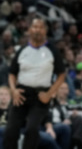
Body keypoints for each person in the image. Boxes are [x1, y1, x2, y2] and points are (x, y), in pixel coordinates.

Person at [3, 17, 66, 149]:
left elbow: (62, 74)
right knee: (10, 131)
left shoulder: (52, 50)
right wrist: (13, 90)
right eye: (35, 27)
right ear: (30, 30)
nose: (37, 30)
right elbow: (12, 74)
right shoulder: (22, 50)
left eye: (41, 27)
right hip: (21, 94)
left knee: (32, 130)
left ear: (45, 31)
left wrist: (50, 93)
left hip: (40, 96)